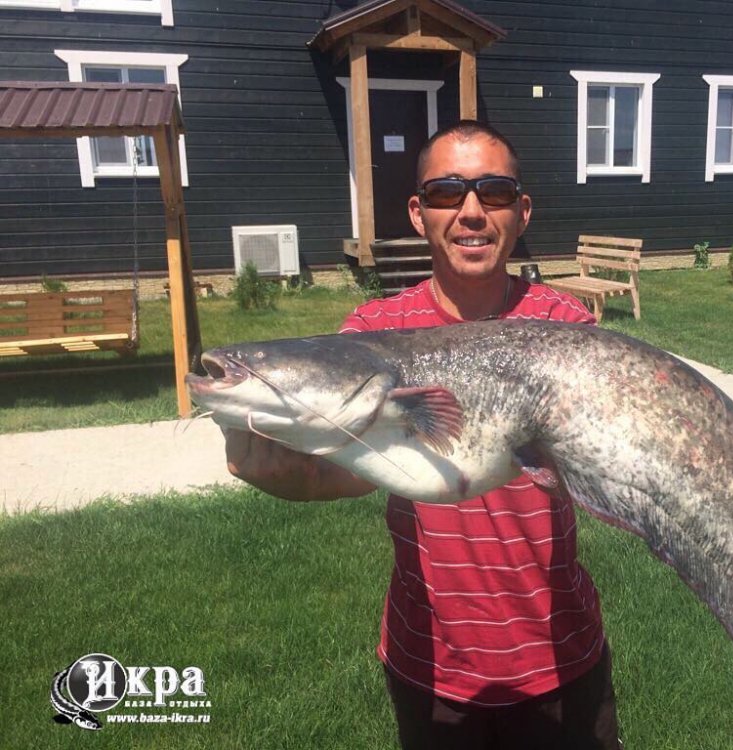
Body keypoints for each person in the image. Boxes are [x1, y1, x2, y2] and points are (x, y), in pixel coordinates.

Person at [225, 121, 621, 749]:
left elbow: (610, 462)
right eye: (446, 193)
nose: (471, 212)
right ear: (418, 213)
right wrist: (289, 475)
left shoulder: (565, 328)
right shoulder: (373, 333)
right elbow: (349, 470)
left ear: (521, 212)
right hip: (431, 662)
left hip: (559, 652)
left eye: (493, 192)